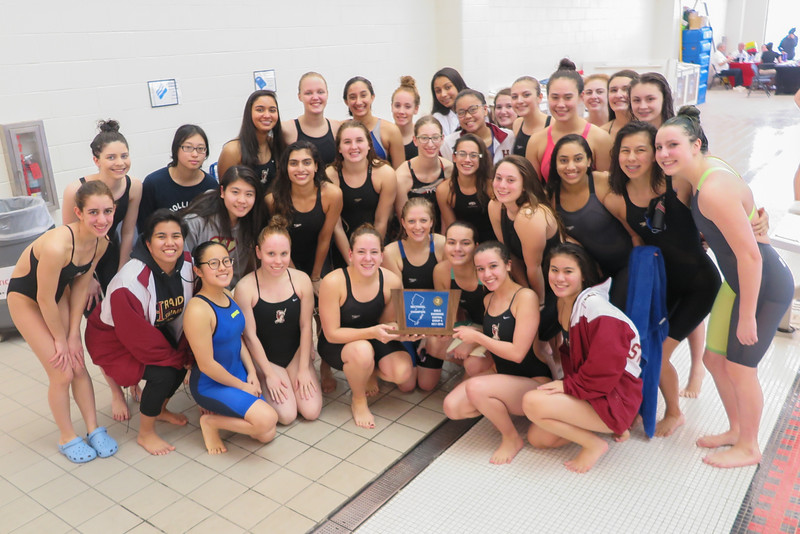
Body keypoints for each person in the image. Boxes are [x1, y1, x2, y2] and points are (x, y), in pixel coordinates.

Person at [658, 106, 794, 468]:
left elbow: (750, 257)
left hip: (763, 285)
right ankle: (736, 430)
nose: (663, 154)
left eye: (672, 145)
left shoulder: (713, 188)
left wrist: (747, 315)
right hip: (738, 284)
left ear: (696, 144)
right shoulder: (702, 173)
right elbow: (744, 214)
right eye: (659, 147)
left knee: (740, 369)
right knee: (714, 359)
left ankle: (750, 447)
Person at [604, 121, 721, 431]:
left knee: (658, 352)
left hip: (699, 283)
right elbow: (639, 242)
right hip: (663, 285)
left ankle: (673, 412)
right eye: (625, 151)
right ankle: (644, 406)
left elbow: (718, 194)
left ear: (655, 154)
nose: (632, 158)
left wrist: (753, 221)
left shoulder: (678, 183)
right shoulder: (616, 199)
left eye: (641, 150)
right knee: (646, 350)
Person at [8, 180, 117, 463]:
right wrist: (59, 339)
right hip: (27, 300)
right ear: (78, 213)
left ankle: (93, 429)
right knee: (62, 371)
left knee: (78, 363)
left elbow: (80, 286)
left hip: (60, 296)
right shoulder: (58, 245)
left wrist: (73, 336)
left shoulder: (101, 243)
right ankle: (67, 436)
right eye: (93, 212)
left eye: (107, 211)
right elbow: (43, 298)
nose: (102, 219)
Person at [522, 243, 642, 473]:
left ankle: (595, 443)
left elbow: (605, 371)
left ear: (583, 274)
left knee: (532, 402)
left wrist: (568, 386)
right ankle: (605, 428)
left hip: (614, 397)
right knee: (539, 438)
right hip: (594, 391)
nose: (559, 278)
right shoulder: (563, 302)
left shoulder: (597, 309)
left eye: (568, 271)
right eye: (554, 270)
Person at [86, 210, 194, 454]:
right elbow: (136, 338)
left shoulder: (186, 263)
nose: (170, 243)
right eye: (161, 237)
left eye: (176, 236)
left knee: (178, 363)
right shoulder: (130, 281)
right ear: (148, 242)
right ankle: (145, 434)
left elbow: (186, 311)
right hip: (112, 339)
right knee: (165, 373)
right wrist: (176, 358)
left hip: (150, 329)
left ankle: (160, 409)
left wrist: (185, 352)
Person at [442, 241, 551, 464]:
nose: (487, 274)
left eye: (493, 266)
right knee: (452, 407)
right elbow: (495, 335)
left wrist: (477, 338)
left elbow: (518, 353)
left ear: (508, 265)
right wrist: (468, 337)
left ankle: (511, 438)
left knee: (475, 387)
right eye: (480, 269)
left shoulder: (525, 298)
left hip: (533, 380)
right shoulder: (488, 298)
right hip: (504, 373)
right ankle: (501, 405)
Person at [185, 241, 279, 454]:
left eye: (226, 261)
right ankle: (210, 423)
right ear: (198, 270)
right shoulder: (198, 310)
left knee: (266, 434)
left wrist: (252, 372)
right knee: (268, 419)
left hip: (237, 373)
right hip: (211, 384)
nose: (223, 267)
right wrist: (242, 386)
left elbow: (238, 339)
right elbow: (207, 365)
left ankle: (224, 416)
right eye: (214, 263)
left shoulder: (227, 294)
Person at [317, 225, 414, 428]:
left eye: (374, 252)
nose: (368, 258)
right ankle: (358, 399)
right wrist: (372, 333)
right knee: (362, 351)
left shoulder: (391, 280)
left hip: (374, 336)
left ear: (381, 256)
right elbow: (332, 334)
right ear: (351, 255)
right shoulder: (333, 282)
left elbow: (390, 324)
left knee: (402, 373)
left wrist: (404, 334)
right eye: (361, 252)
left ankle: (366, 370)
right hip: (339, 343)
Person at [234, 216, 322, 424]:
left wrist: (303, 369)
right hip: (266, 359)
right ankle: (274, 378)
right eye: (270, 254)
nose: (278, 261)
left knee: (311, 412)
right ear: (258, 252)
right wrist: (268, 374)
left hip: (295, 355)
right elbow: (250, 336)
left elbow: (305, 327)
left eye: (284, 254)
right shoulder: (246, 288)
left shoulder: (300, 280)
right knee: (286, 415)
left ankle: (294, 375)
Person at [546, 134, 634, 309]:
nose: (571, 167)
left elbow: (630, 223)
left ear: (588, 161)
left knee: (617, 316)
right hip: (592, 273)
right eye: (563, 160)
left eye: (578, 159)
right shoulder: (551, 197)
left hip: (626, 264)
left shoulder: (602, 182)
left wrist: (643, 260)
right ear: (555, 165)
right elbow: (564, 238)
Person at [62, 120, 142, 312]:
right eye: (111, 157)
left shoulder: (134, 186)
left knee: (121, 304)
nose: (120, 163)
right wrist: (87, 279)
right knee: (93, 306)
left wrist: (123, 271)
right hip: (80, 255)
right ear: (96, 161)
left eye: (124, 156)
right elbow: (70, 240)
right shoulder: (76, 190)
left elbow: (129, 232)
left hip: (111, 250)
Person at [488, 155, 561, 350]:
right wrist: (520, 292)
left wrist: (537, 305)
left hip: (552, 280)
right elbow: (510, 254)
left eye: (511, 180)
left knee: (539, 333)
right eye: (498, 178)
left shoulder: (530, 216)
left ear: (524, 184)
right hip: (527, 274)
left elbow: (535, 267)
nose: (502, 185)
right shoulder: (495, 206)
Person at [383, 197, 445, 390]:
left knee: (427, 385)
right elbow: (398, 301)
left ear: (432, 221)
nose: (418, 227)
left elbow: (444, 298)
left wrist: (428, 335)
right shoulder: (392, 252)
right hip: (405, 321)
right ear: (402, 222)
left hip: (434, 320)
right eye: (411, 221)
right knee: (407, 385)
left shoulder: (443, 245)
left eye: (423, 220)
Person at [266, 141, 342, 293]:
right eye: (293, 163)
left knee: (323, 296)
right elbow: (278, 245)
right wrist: (297, 277)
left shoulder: (332, 195)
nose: (300, 169)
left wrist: (315, 277)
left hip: (319, 258)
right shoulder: (272, 201)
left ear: (316, 166)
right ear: (286, 168)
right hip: (285, 260)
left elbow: (325, 237)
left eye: (306, 163)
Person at [422, 221, 486, 389]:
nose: (457, 248)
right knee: (432, 343)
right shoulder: (442, 271)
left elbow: (503, 327)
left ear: (476, 247)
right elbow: (448, 315)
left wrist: (473, 341)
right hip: (472, 326)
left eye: (465, 243)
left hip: (497, 333)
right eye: (451, 242)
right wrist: (433, 331)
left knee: (474, 364)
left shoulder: (486, 273)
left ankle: (488, 368)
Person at [183, 165, 264, 287]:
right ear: (222, 192)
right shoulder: (195, 222)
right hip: (197, 295)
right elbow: (184, 270)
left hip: (231, 296)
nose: (242, 200)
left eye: (249, 194)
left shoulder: (251, 221)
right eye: (235, 192)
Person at [526, 69, 613, 180]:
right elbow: (534, 191)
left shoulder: (600, 138)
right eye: (555, 97)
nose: (561, 104)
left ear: (581, 97)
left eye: (568, 97)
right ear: (547, 97)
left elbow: (607, 187)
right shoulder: (536, 141)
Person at [328, 120, 396, 261]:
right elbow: (337, 227)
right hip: (343, 248)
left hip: (376, 245)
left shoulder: (385, 174)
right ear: (339, 148)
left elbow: (381, 222)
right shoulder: (330, 175)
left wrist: (370, 256)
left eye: (359, 140)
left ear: (369, 145)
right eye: (347, 142)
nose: (354, 147)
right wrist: (351, 260)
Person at [137, 124, 217, 230]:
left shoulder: (211, 185)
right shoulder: (153, 184)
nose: (194, 154)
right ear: (176, 149)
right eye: (188, 147)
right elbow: (144, 228)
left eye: (201, 148)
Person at [218, 90, 286, 193]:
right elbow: (226, 193)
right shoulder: (232, 150)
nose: (267, 115)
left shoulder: (275, 145)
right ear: (249, 113)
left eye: (272, 110)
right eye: (260, 110)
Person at [395, 116, 453, 229]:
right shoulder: (402, 177)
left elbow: (448, 218)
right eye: (424, 138)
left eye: (435, 137)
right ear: (415, 140)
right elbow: (404, 223)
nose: (430, 144)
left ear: (442, 139)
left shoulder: (449, 170)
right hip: (412, 233)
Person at [436, 133, 494, 243]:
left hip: (491, 246)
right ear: (454, 157)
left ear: (481, 159)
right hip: (463, 245)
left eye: (473, 155)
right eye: (462, 154)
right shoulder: (444, 190)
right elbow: (452, 230)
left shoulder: (492, 187)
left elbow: (501, 229)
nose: (467, 160)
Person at [343, 76, 405, 168]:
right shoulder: (341, 130)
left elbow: (400, 173)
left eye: (363, 95)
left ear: (372, 97)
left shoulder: (390, 131)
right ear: (346, 101)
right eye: (352, 97)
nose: (358, 102)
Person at [440, 89, 515, 164]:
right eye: (461, 112)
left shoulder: (509, 137)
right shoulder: (449, 143)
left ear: (485, 110)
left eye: (473, 109)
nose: (468, 116)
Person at [282, 72, 341, 165]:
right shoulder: (287, 129)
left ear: (327, 94)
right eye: (308, 93)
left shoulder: (337, 128)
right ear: (299, 96)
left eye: (320, 92)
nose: (315, 97)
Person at [510, 76, 551, 157]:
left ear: (539, 97)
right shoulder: (517, 124)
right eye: (514, 97)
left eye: (526, 95)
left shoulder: (553, 125)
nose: (519, 101)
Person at [430, 67, 468, 137]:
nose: (443, 94)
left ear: (458, 85)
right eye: (438, 91)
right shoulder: (437, 118)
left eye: (448, 87)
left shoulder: (475, 106)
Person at [392, 76, 421, 161]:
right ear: (391, 106)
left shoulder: (421, 136)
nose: (401, 111)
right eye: (397, 105)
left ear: (416, 109)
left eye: (407, 107)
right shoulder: (384, 135)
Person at [603, 70, 638, 139]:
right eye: (613, 90)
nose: (618, 95)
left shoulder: (652, 128)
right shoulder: (602, 133)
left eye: (626, 89)